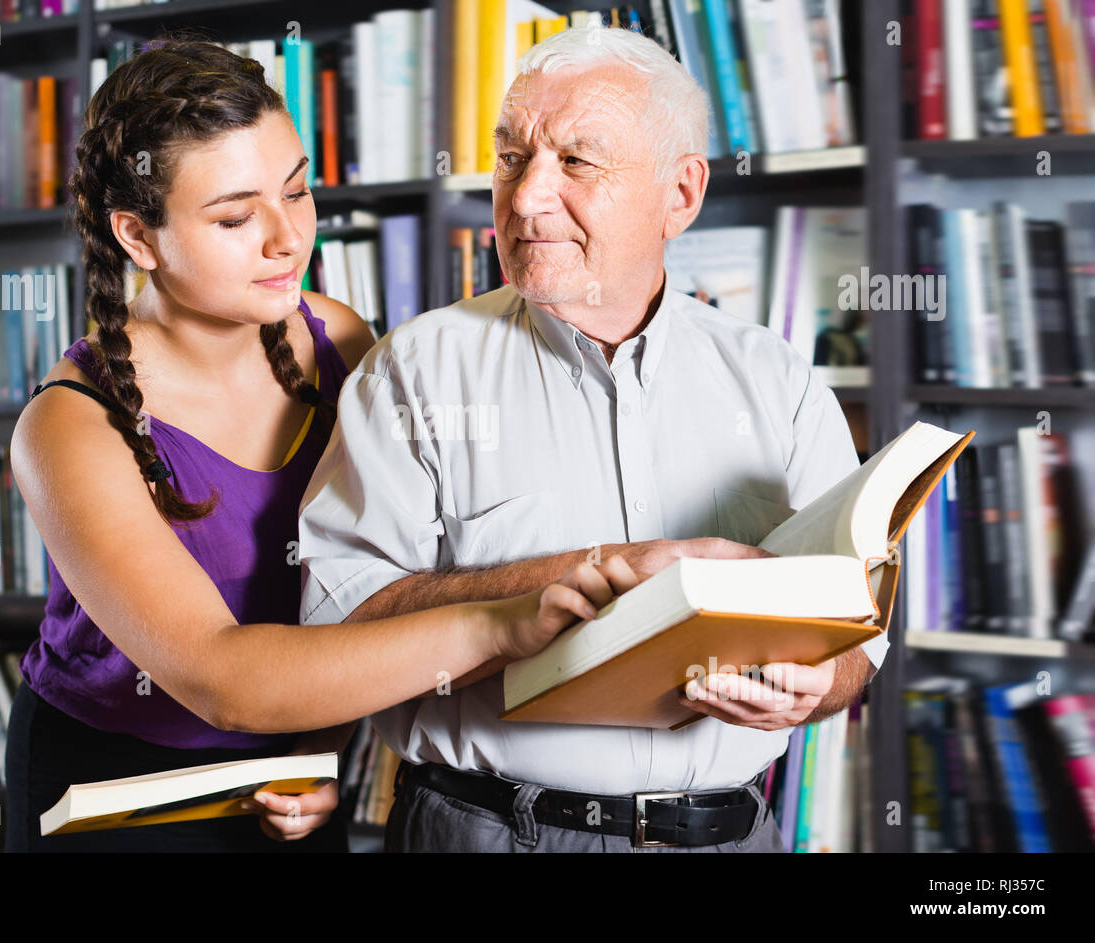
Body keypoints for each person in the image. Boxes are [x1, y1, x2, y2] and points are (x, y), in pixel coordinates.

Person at [5, 39, 637, 853]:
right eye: (235, 217)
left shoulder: (338, 338)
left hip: (291, 763)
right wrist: (499, 624)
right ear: (138, 235)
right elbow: (223, 676)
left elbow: (364, 584)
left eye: (297, 191)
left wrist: (324, 746)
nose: (286, 238)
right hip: (118, 789)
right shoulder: (68, 427)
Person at [296, 26, 890, 853]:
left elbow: (860, 634)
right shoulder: (413, 372)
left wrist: (819, 682)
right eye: (512, 157)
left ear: (679, 196)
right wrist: (583, 580)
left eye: (576, 161)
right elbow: (336, 624)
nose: (527, 196)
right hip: (490, 831)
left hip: (731, 836)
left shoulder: (779, 382)